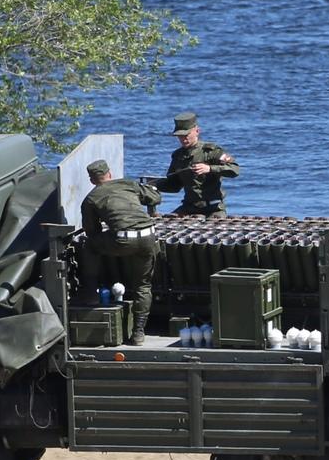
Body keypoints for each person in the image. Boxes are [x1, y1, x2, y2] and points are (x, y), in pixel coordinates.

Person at [78, 159, 163, 344]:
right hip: (149, 237)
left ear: (92, 180)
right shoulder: (128, 183)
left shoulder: (91, 198)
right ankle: (139, 333)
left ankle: (92, 295)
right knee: (143, 286)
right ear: (110, 174)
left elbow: (92, 233)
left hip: (123, 240)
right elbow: (155, 197)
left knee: (89, 246)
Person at [155, 112, 240, 216]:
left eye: (186, 135)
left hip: (213, 208)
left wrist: (209, 168)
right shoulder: (178, 155)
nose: (183, 139)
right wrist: (154, 185)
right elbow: (174, 185)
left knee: (213, 228)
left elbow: (235, 170)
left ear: (197, 131)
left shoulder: (211, 151)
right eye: (180, 136)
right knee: (165, 223)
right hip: (189, 207)